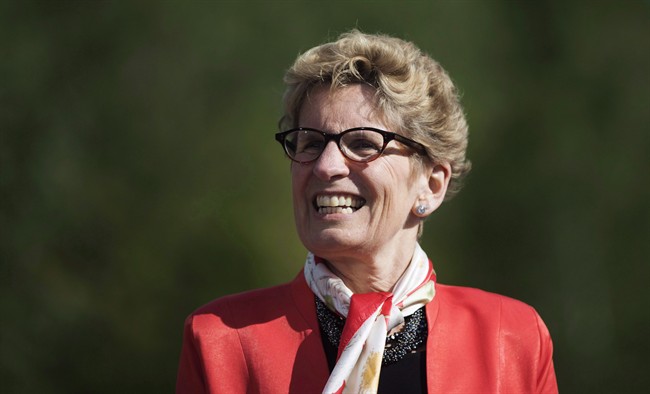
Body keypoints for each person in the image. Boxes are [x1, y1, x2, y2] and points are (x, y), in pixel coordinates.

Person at [176, 30, 558, 394]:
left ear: (432, 184)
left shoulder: (512, 338)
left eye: (361, 143)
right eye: (309, 142)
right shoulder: (220, 340)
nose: (326, 166)